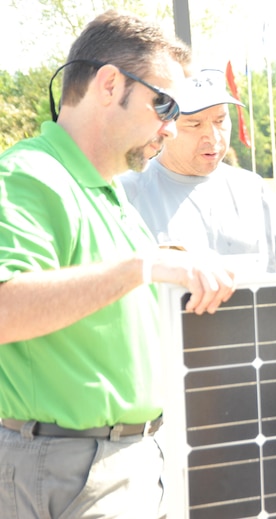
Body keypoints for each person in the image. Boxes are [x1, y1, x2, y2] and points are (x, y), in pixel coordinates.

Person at [0, 11, 236, 519]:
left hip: (121, 462)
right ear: (109, 84)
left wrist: (164, 263)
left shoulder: (106, 189)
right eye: (165, 105)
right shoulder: (28, 175)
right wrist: (140, 266)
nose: (172, 129)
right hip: (73, 467)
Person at [120, 69, 276, 271]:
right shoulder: (127, 194)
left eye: (221, 120)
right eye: (195, 123)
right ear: (166, 123)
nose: (213, 136)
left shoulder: (252, 189)